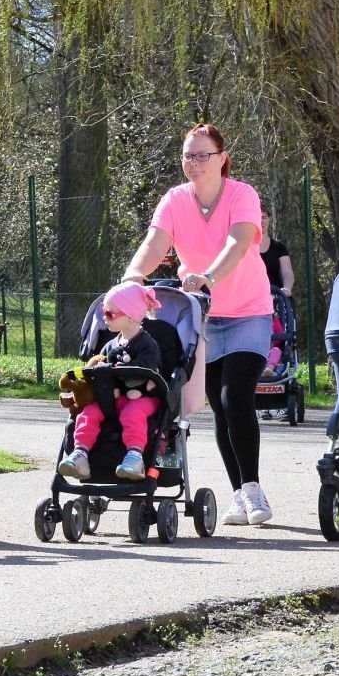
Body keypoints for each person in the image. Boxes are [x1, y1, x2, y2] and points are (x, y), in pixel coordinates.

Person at [121, 124, 276, 527]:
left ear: (222, 158)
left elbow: (238, 243)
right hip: (200, 316)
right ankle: (239, 495)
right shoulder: (174, 199)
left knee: (234, 397)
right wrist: (133, 275)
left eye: (202, 155)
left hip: (248, 312)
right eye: (188, 156)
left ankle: (254, 487)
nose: (193, 163)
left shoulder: (242, 194)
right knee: (220, 413)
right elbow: (156, 242)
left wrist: (208, 275)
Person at [57, 282, 164, 482]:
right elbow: (98, 365)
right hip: (112, 399)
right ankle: (80, 454)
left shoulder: (147, 345)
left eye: (111, 314)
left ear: (131, 316)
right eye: (104, 312)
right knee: (88, 413)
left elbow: (146, 369)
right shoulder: (109, 346)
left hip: (143, 398)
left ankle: (135, 456)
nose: (105, 317)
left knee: (133, 414)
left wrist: (116, 372)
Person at [257, 207, 293, 297]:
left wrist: (287, 288)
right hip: (252, 299)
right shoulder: (244, 246)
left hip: (276, 298)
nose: (261, 221)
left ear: (269, 219)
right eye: (258, 217)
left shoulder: (279, 246)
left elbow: (287, 273)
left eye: (264, 217)